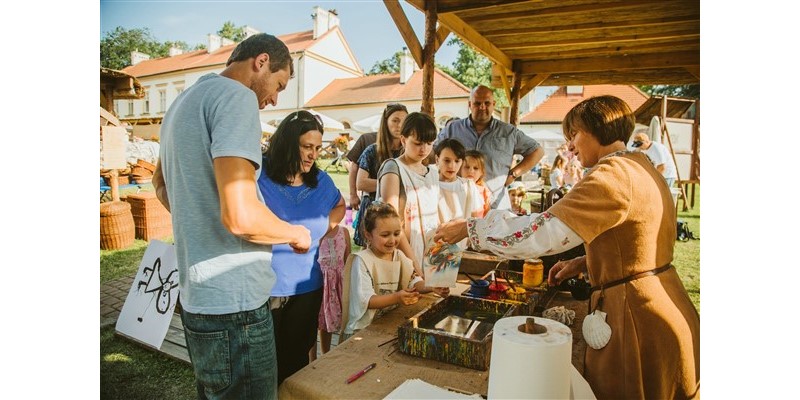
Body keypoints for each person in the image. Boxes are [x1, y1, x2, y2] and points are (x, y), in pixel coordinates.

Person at [434, 95, 700, 400]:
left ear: (598, 129)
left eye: (574, 135)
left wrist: (470, 228)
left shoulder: (611, 175)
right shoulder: (641, 166)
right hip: (661, 303)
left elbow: (542, 231)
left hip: (638, 316)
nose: (570, 146)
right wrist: (586, 262)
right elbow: (637, 239)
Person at [152, 33, 311, 399]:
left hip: (198, 301)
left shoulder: (182, 103)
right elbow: (240, 216)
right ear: (261, 62)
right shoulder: (237, 97)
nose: (273, 99)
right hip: (235, 307)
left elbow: (161, 183)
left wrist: (202, 213)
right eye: (279, 85)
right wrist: (294, 233)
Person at [257, 110, 346, 384]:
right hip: (266, 288)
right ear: (287, 143)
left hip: (308, 287)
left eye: (318, 148)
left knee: (295, 363)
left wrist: (322, 229)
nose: (313, 155)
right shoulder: (258, 174)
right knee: (263, 366)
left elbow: (340, 206)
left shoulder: (320, 180)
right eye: (307, 147)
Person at [340, 202, 446, 338]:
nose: (392, 240)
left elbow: (415, 282)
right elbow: (368, 301)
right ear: (368, 235)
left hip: (386, 323)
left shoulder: (399, 256)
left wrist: (433, 285)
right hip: (361, 330)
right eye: (385, 235)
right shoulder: (361, 261)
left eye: (396, 234)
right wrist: (397, 297)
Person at [435, 85, 544, 210]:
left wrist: (514, 174)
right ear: (470, 104)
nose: (482, 107)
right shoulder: (453, 129)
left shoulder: (508, 132)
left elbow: (537, 151)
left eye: (487, 103)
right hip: (460, 206)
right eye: (477, 103)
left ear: (494, 104)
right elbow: (434, 152)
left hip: (496, 206)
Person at [377, 112, 441, 274]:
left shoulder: (433, 173)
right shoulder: (393, 168)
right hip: (401, 256)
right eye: (418, 143)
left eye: (429, 143)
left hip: (430, 256)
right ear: (404, 140)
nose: (424, 149)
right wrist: (415, 269)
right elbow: (391, 224)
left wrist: (441, 271)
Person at [310, 222, 351, 362]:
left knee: (332, 323)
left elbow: (348, 260)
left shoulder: (344, 232)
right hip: (321, 285)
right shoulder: (316, 235)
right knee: (318, 321)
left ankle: (327, 356)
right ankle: (313, 359)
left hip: (339, 284)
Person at [435, 138, 482, 248]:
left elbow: (475, 217)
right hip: (434, 246)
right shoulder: (431, 186)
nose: (452, 166)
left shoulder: (469, 186)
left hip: (462, 247)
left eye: (457, 161)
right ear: (437, 159)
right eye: (447, 160)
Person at [356, 103, 408, 200]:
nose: (400, 125)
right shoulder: (372, 151)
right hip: (374, 208)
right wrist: (392, 184)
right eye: (395, 120)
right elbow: (360, 183)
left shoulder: (409, 152)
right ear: (386, 122)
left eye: (404, 121)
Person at [345, 131, 377, 210]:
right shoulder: (367, 139)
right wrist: (353, 195)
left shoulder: (406, 142)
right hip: (369, 200)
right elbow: (354, 167)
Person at [460, 150, 492, 217]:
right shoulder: (455, 187)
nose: (471, 171)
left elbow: (487, 215)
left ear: (481, 172)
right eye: (467, 167)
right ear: (460, 169)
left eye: (475, 168)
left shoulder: (484, 192)